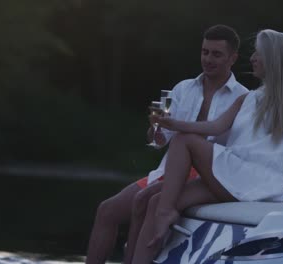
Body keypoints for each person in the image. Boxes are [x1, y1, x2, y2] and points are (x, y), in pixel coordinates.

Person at [130, 29, 283, 263]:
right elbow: (214, 127)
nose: (253, 58)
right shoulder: (247, 98)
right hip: (233, 175)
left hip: (256, 179)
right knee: (155, 201)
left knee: (184, 140)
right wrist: (172, 123)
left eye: (259, 53)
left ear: (275, 58)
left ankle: (167, 212)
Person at [85, 24, 248, 264]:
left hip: (208, 175)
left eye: (216, 54)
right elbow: (160, 142)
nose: (208, 59)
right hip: (170, 169)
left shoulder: (242, 97)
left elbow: (237, 152)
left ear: (232, 58)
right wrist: (155, 128)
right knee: (107, 210)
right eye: (205, 52)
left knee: (144, 200)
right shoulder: (183, 89)